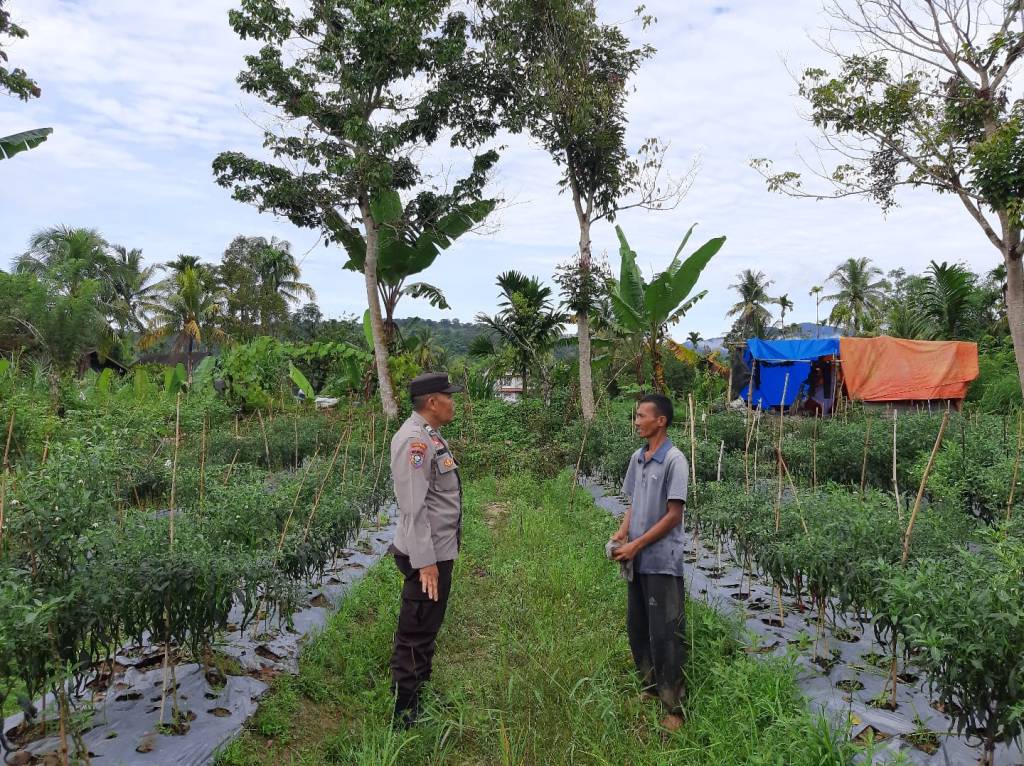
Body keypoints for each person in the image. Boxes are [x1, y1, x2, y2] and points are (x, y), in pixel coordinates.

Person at [388, 371, 464, 728]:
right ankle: (405, 711)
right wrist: (426, 564)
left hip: (437, 551)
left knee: (426, 626)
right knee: (416, 629)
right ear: (433, 402)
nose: (454, 401)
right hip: (427, 555)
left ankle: (418, 693)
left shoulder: (430, 436)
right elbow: (414, 507)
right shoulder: (415, 441)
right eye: (449, 396)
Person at [610, 393, 689, 731]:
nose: (637, 420)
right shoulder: (638, 458)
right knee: (638, 628)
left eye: (643, 415)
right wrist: (622, 534)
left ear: (661, 421)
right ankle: (651, 689)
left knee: (666, 635)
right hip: (638, 561)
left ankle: (675, 708)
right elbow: (633, 503)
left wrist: (637, 544)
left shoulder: (674, 460)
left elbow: (674, 516)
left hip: (661, 561)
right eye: (636, 415)